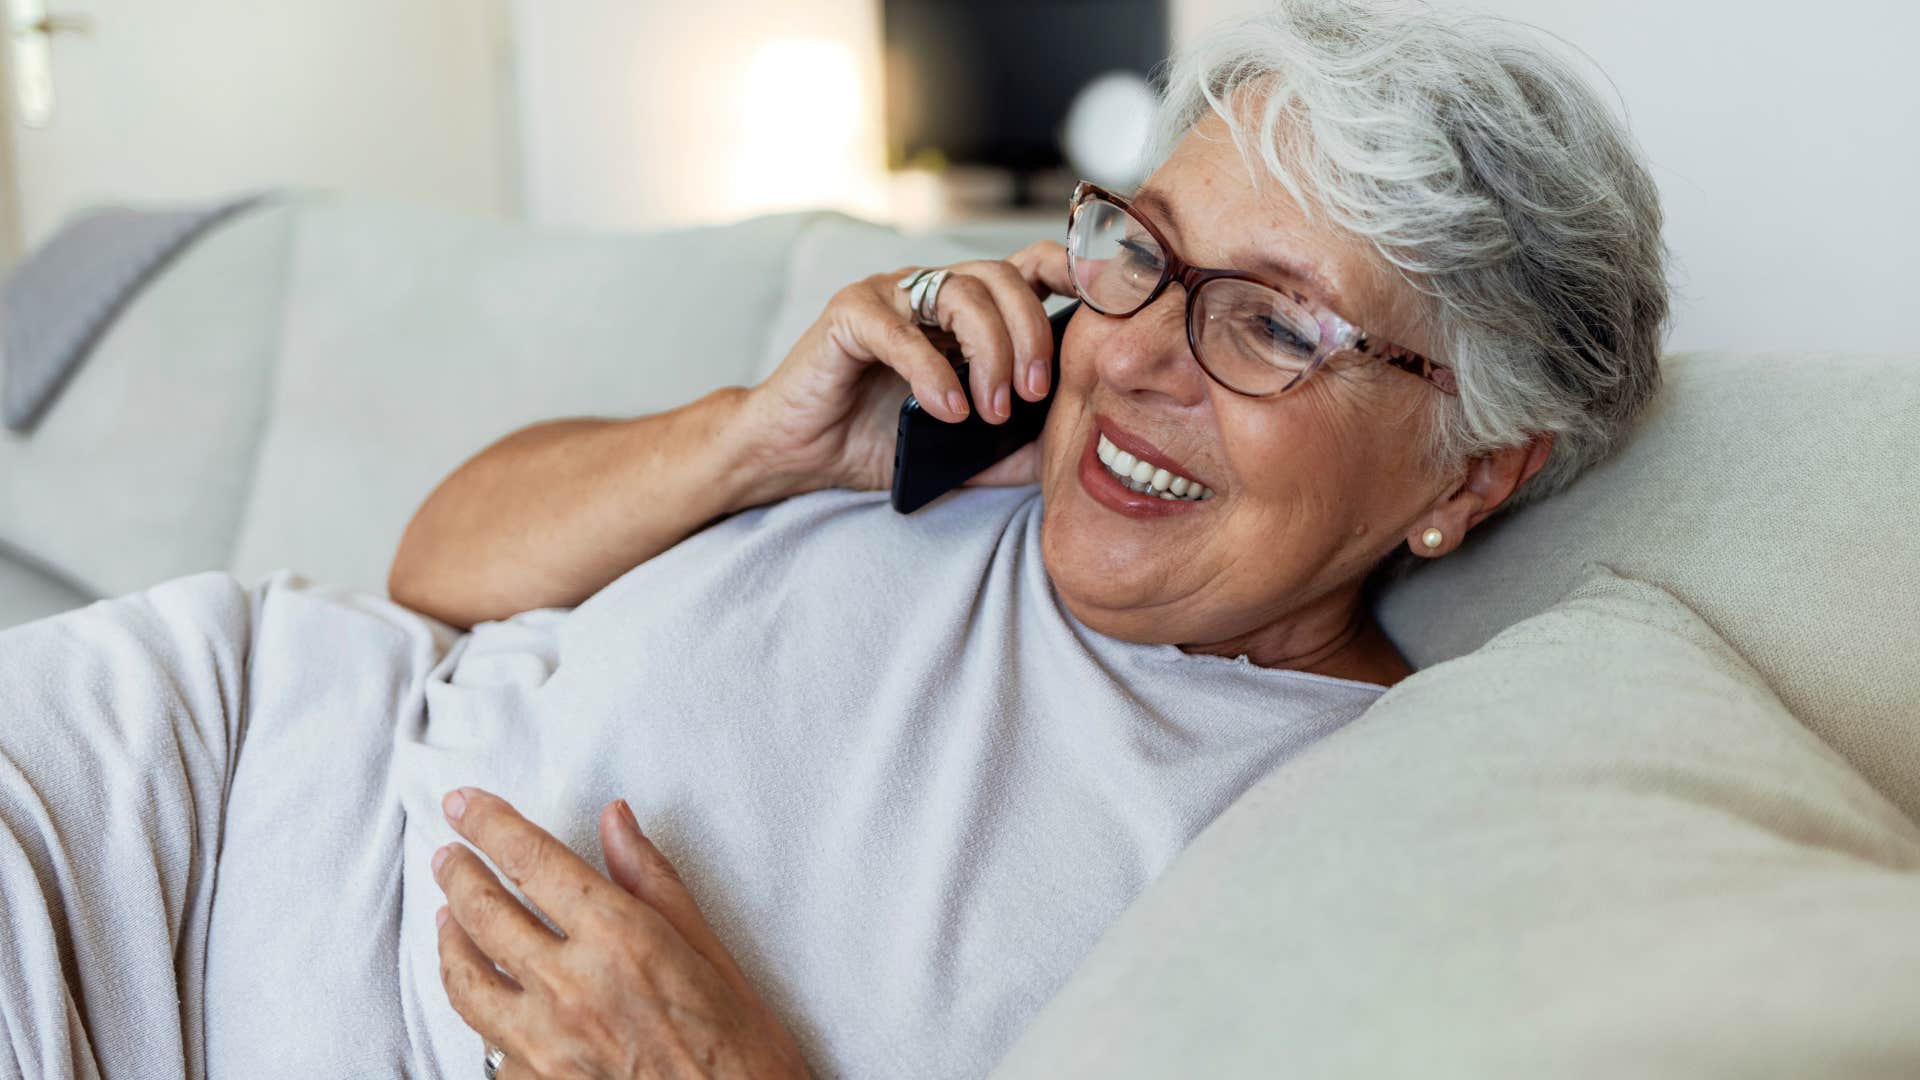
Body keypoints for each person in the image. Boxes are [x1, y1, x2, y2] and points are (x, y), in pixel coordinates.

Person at [0, 1, 1666, 1076]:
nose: (1138, 355)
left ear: (1471, 474)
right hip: (147, 804)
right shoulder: (959, 433)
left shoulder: (1359, 830)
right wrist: (756, 442)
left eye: (1276, 327)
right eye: (1143, 256)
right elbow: (430, 570)